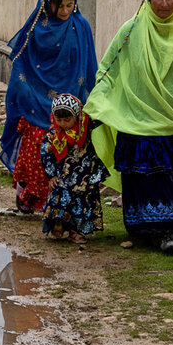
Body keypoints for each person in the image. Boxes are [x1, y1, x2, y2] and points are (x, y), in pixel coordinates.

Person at [84, 0, 173, 254]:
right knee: (146, 177)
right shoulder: (131, 30)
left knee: (171, 175)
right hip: (138, 121)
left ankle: (170, 229)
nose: (164, 3)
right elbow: (108, 68)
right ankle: (149, 228)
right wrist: (99, 100)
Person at [0, 0, 98, 215]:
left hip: (69, 101)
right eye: (60, 6)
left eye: (70, 5)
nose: (65, 11)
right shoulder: (36, 27)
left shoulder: (80, 25)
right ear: (49, 4)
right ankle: (28, 195)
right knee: (37, 150)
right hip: (37, 100)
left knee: (66, 154)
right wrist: (26, 93)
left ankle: (58, 204)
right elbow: (20, 62)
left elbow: (87, 63)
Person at [39, 94, 107, 244]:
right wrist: (51, 175)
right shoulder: (53, 135)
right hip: (62, 177)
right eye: (59, 120)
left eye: (67, 120)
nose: (63, 124)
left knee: (82, 202)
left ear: (77, 116)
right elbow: (46, 154)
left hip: (84, 177)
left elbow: (102, 117)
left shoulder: (85, 130)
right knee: (60, 200)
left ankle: (76, 231)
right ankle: (59, 227)